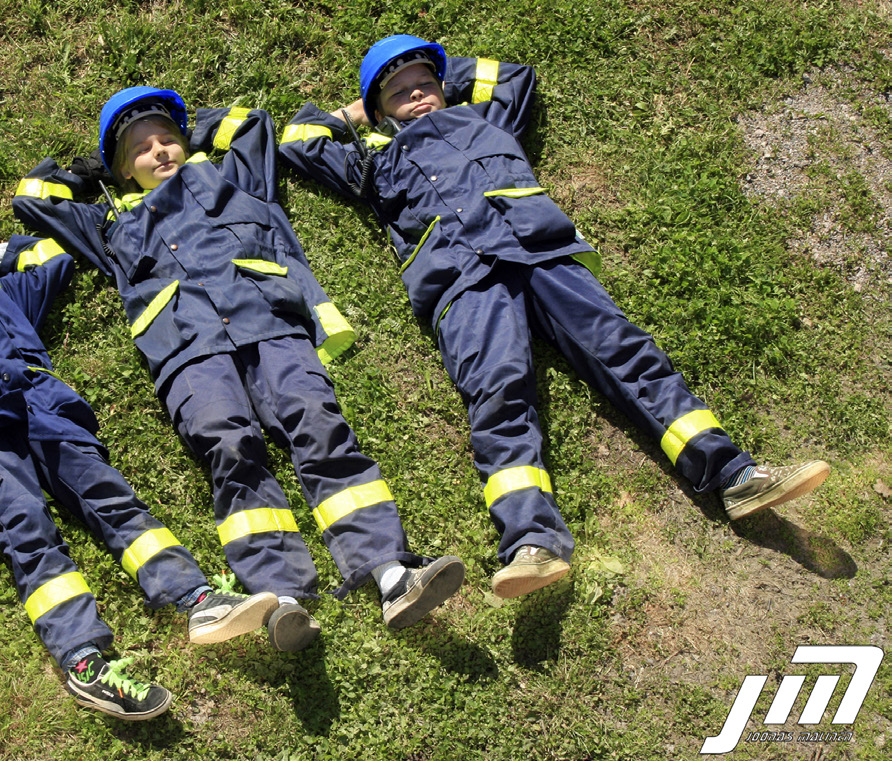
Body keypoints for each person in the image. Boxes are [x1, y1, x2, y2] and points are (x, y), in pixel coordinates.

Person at [278, 35, 831, 600]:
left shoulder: (488, 118)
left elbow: (514, 74)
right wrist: (362, 107)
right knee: (498, 394)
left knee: (623, 350)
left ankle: (734, 475)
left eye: (424, 84)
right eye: (400, 92)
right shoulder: (373, 160)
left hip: (541, 250)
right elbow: (298, 138)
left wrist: (434, 74)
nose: (416, 95)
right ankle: (530, 542)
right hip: (462, 281)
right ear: (378, 109)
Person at [10, 87, 465, 652]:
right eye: (141, 149)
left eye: (166, 139)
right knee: (230, 450)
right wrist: (94, 171)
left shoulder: (235, 179)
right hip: (188, 353)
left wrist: (191, 132)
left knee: (321, 426)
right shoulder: (108, 225)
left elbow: (251, 122)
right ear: (122, 169)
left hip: (270, 325)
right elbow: (33, 197)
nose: (160, 151)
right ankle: (280, 598)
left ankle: (391, 572)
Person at [0, 188, 281, 721]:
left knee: (111, 497)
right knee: (27, 526)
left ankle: (196, 599)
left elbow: (52, 254)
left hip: (43, 408)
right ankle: (83, 658)